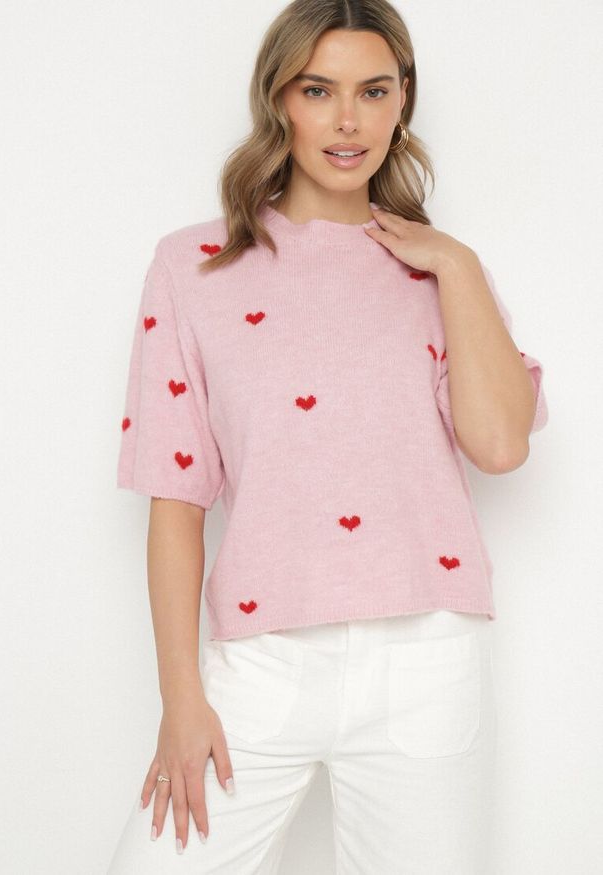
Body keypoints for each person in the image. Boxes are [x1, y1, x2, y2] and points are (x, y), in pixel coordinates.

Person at [107, 1, 548, 872]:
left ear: (402, 100)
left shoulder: (444, 271)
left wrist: (455, 264)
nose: (348, 120)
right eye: (318, 90)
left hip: (426, 661)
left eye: (373, 91)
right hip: (261, 664)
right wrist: (180, 696)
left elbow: (501, 446)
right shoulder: (194, 267)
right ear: (279, 99)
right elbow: (176, 498)